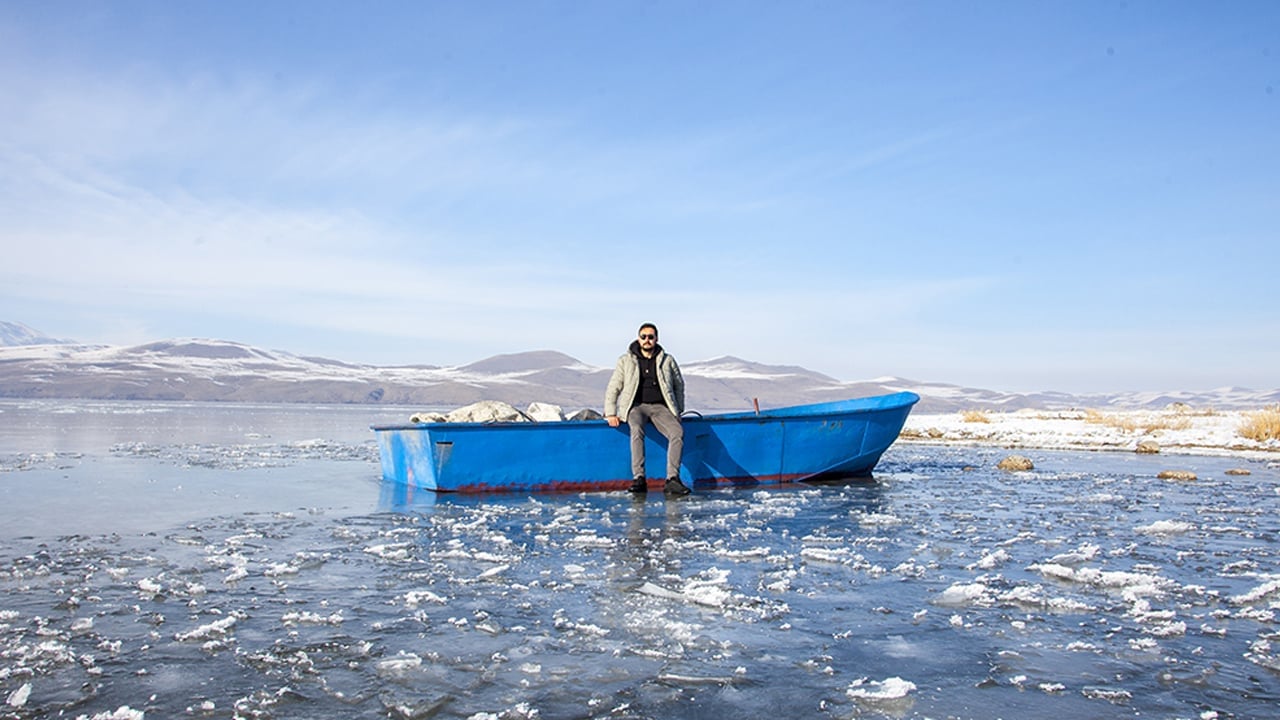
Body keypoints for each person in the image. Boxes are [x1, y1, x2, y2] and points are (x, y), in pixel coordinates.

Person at [604, 323, 691, 495]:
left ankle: (672, 479)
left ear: (656, 339)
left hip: (660, 407)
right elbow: (614, 387)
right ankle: (639, 478)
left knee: (677, 432)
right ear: (638, 338)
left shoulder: (667, 360)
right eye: (643, 337)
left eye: (650, 337)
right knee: (636, 430)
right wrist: (611, 413)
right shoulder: (626, 360)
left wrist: (678, 411)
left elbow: (678, 385)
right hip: (636, 407)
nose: (647, 340)